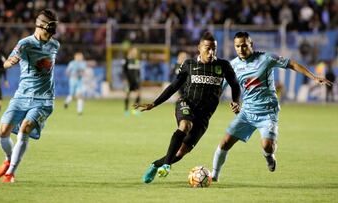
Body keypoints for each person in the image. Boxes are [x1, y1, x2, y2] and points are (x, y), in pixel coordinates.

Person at [211, 31, 333, 182]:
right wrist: (233, 103)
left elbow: (292, 64)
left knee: (267, 145)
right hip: (247, 112)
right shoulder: (233, 65)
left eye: (244, 46)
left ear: (251, 45)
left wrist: (314, 77)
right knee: (224, 142)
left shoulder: (266, 58)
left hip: (268, 111)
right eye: (237, 46)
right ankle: (213, 176)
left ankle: (269, 156)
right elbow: (222, 87)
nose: (240, 49)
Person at [134, 32, 241, 184]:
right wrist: (155, 103)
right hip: (186, 104)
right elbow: (174, 86)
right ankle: (166, 165)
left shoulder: (223, 66)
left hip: (204, 116)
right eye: (207, 48)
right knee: (185, 125)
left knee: (181, 152)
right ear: (199, 48)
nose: (211, 52)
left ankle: (155, 164)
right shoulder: (189, 64)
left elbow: (235, 85)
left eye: (214, 49)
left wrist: (236, 101)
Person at [0, 9, 60, 183]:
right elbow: (7, 62)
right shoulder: (24, 44)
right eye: (48, 30)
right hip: (21, 97)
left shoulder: (55, 45)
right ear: (39, 26)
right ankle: (9, 159)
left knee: (25, 128)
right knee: (2, 132)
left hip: (44, 100)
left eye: (53, 31)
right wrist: (10, 63)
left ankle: (11, 173)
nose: (51, 35)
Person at [122, 47, 141, 116]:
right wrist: (125, 80)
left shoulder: (137, 61)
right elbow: (124, 71)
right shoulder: (127, 60)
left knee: (138, 94)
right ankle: (126, 110)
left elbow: (138, 72)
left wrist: (139, 79)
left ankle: (135, 110)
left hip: (136, 81)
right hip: (128, 81)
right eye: (134, 51)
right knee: (127, 95)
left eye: (136, 52)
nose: (135, 53)